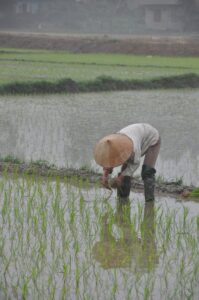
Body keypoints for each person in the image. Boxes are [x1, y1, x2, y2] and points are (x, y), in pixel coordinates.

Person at [94, 123, 161, 201]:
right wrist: (104, 176)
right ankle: (122, 200)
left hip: (152, 139)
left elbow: (135, 163)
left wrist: (121, 177)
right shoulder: (112, 144)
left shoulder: (133, 148)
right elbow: (109, 160)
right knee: (124, 172)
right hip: (134, 135)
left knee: (147, 172)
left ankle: (149, 202)